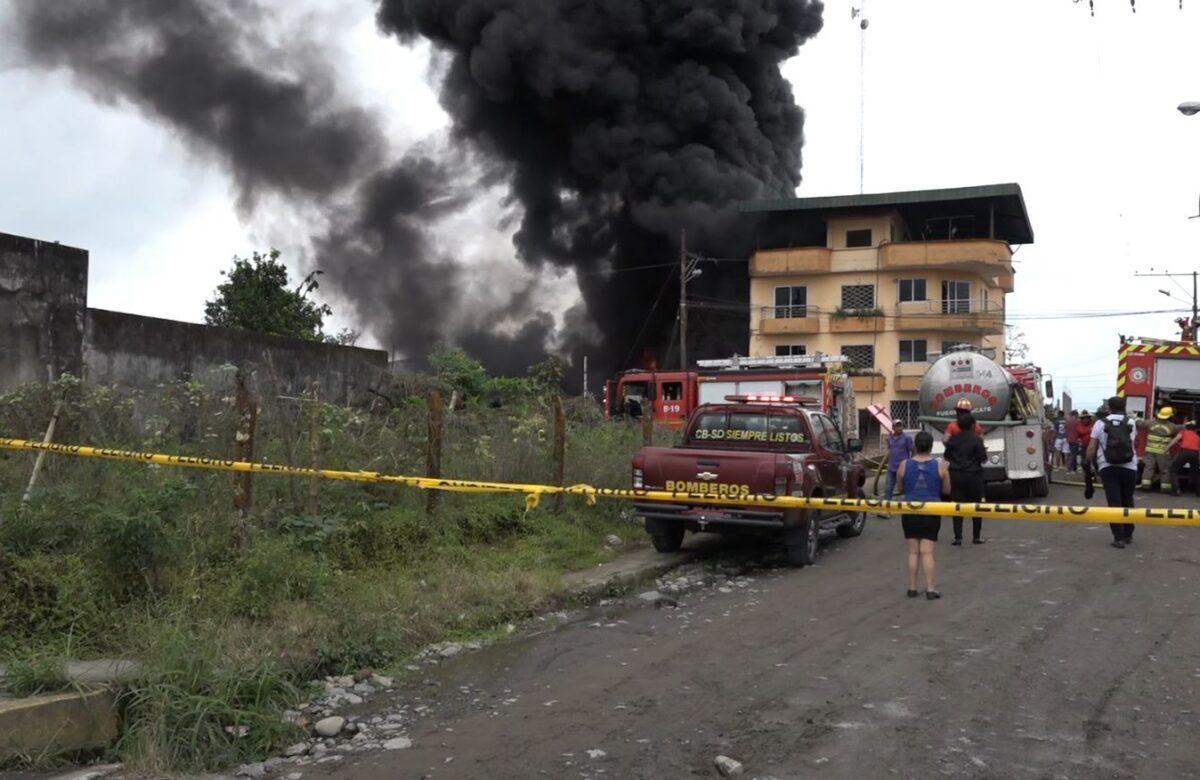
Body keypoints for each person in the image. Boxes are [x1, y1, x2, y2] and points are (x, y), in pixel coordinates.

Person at [896, 431, 951, 600]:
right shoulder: (941, 466)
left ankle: (912, 587)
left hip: (909, 510)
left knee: (913, 552)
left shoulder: (904, 464)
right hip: (931, 511)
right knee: (927, 552)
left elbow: (900, 488)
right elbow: (946, 490)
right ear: (931, 447)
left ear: (915, 446)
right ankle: (930, 589)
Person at [1086, 395, 1138, 549]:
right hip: (1129, 466)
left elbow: (1092, 446)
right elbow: (1133, 443)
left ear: (1109, 408)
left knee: (1114, 502)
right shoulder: (1131, 422)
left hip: (1107, 466)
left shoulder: (1100, 423)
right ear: (1124, 407)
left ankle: (1118, 538)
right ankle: (1128, 534)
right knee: (1128, 500)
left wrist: (1088, 462)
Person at [945, 411, 988, 545]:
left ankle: (958, 537)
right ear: (973, 425)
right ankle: (976, 537)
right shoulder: (977, 440)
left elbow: (947, 456)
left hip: (956, 475)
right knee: (976, 506)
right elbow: (983, 458)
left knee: (957, 506)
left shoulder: (952, 440)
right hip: (974, 476)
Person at [1142, 406, 1180, 492]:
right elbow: (1182, 429)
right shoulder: (1173, 427)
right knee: (1165, 469)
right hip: (1163, 452)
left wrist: (1134, 417)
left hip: (1150, 450)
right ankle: (1165, 488)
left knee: (1148, 467)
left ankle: (1145, 485)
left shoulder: (1150, 423)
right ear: (1170, 416)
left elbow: (1140, 423)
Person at [1168, 420, 1200, 497]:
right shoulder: (1197, 436)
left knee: (1173, 470)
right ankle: (1199, 492)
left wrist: (1167, 448)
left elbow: (1175, 439)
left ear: (1186, 427)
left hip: (1184, 452)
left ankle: (1176, 490)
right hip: (1195, 454)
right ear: (1194, 429)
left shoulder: (1183, 432)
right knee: (1195, 473)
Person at [884, 425, 915, 501]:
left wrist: (911, 462)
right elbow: (890, 449)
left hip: (903, 469)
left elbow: (913, 450)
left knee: (905, 489)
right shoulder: (890, 438)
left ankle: (907, 504)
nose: (899, 428)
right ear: (893, 428)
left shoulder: (907, 438)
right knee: (888, 488)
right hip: (892, 468)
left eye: (900, 426)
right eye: (897, 426)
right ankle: (887, 505)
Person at [1078, 410, 1095, 497]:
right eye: (1084, 418)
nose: (1085, 420)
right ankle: (1089, 486)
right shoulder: (1078, 426)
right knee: (1085, 464)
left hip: (1095, 447)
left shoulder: (1094, 425)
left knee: (1097, 464)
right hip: (1084, 448)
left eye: (1087, 418)